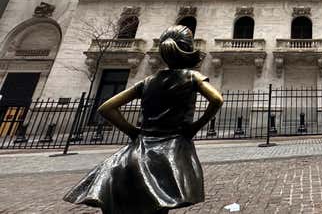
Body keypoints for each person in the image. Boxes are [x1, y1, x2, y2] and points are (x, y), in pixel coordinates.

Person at [64, 25, 224, 213]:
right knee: (160, 202)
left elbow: (106, 108)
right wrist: (195, 126)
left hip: (137, 150)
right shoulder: (191, 76)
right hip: (170, 150)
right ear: (187, 50)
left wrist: (134, 132)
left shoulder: (147, 81)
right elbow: (216, 99)